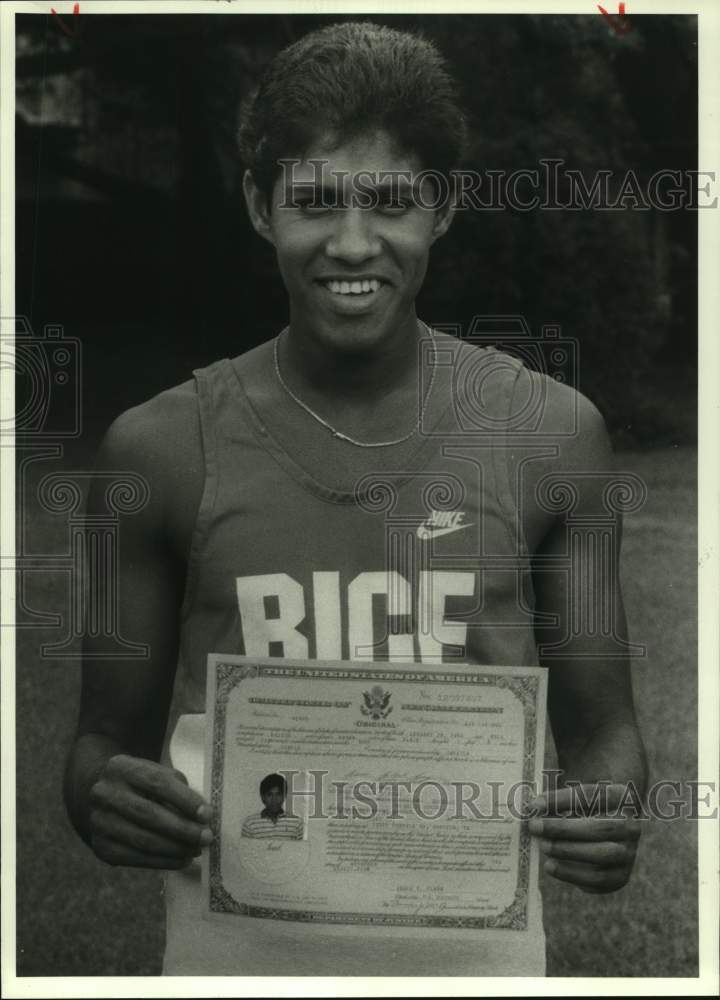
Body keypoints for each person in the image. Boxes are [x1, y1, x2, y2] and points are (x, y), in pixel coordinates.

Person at [64, 20, 647, 977]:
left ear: (444, 207)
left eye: (389, 202)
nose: (351, 243)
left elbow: (608, 735)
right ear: (259, 203)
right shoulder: (161, 449)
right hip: (234, 963)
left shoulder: (550, 435)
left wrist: (609, 807)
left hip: (477, 969)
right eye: (315, 202)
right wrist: (107, 799)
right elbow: (95, 752)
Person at [241, 774, 304, 840]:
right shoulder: (250, 824)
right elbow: (246, 850)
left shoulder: (297, 823)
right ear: (263, 797)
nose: (274, 799)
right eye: (269, 794)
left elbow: (300, 850)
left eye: (278, 794)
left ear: (284, 796)